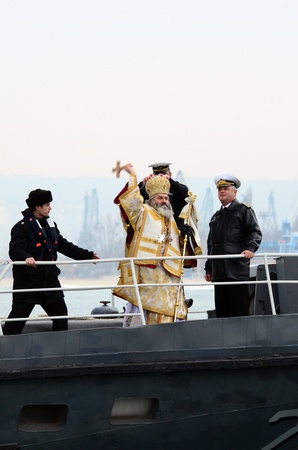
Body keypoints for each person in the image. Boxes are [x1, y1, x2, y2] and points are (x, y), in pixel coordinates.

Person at [113, 163, 201, 327]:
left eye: (166, 198)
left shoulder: (172, 218)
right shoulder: (143, 212)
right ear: (151, 200)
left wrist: (185, 234)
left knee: (171, 311)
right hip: (148, 273)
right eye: (160, 198)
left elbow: (177, 247)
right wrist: (134, 177)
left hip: (169, 276)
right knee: (147, 310)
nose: (164, 201)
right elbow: (132, 202)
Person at [2, 188, 99, 335]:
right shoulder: (21, 228)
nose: (50, 208)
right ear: (37, 207)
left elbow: (64, 246)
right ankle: (5, 350)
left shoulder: (50, 226)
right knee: (16, 320)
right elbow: (15, 249)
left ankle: (60, 349)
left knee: (61, 314)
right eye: (47, 204)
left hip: (49, 280)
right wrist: (25, 257)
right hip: (28, 282)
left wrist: (87, 255)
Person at [204, 173, 262, 318]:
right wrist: (209, 268)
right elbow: (211, 244)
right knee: (222, 312)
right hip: (219, 272)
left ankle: (242, 339)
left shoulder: (243, 211)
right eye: (220, 189)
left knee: (239, 311)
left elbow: (254, 231)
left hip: (235, 271)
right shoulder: (216, 216)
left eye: (226, 188)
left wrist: (250, 248)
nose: (222, 191)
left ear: (234, 192)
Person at [139, 162, 189, 232]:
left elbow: (186, 196)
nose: (160, 177)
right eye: (157, 174)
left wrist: (170, 182)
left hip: (175, 231)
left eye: (164, 174)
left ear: (170, 174)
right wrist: (144, 185)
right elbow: (135, 202)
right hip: (152, 232)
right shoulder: (147, 189)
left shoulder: (176, 188)